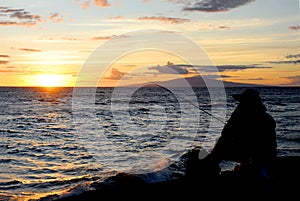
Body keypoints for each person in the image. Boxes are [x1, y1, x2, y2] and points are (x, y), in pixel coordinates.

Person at [201, 89, 277, 178]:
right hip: (261, 154)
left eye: (243, 102)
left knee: (221, 144)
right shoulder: (266, 118)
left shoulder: (255, 118)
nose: (240, 105)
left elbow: (226, 134)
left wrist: (233, 124)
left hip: (257, 155)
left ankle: (209, 171)